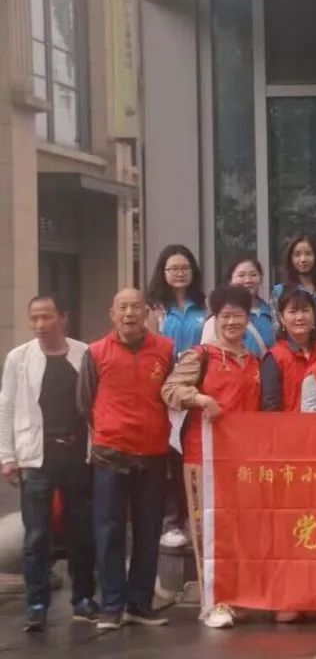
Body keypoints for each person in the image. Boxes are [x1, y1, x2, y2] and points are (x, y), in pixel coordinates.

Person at [161, 285, 262, 629]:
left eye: (239, 316)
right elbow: (170, 389)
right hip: (202, 457)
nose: (232, 322)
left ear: (249, 320)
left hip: (243, 460)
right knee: (207, 530)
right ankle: (213, 602)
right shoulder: (200, 355)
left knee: (238, 531)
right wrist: (201, 399)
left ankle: (236, 596)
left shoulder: (253, 361)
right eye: (226, 316)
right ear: (215, 319)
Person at [77, 288, 174, 631]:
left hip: (153, 452)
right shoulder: (95, 352)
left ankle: (139, 603)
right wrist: (109, 427)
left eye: (135, 307)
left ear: (147, 313)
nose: (129, 313)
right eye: (123, 307)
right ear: (112, 314)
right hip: (110, 452)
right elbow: (84, 402)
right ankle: (111, 605)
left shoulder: (166, 349)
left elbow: (171, 394)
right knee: (109, 530)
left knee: (148, 530)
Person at [0, 295, 96, 631]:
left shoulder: (85, 353)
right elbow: (6, 406)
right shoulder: (19, 358)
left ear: (63, 318)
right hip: (36, 455)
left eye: (47, 317)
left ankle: (83, 597)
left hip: (77, 454)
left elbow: (95, 404)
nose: (40, 325)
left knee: (81, 529)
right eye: (35, 318)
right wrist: (7, 456)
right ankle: (37, 603)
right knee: (36, 534)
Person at [146, 244, 207, 550]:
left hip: (195, 392)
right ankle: (170, 521)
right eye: (173, 268)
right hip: (162, 393)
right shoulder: (154, 308)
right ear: (163, 272)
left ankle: (190, 520)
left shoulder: (205, 307)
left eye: (185, 268)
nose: (179, 273)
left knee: (191, 457)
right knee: (168, 459)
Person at [262, 289, 316, 412]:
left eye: (305, 311)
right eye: (293, 311)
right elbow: (271, 406)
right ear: (282, 318)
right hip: (288, 423)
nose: (300, 317)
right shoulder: (275, 357)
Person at [200, 256, 276, 358]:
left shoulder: (272, 313)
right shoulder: (216, 318)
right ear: (230, 280)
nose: (248, 280)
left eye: (253, 275)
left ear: (260, 279)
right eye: (241, 275)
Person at [272, 233, 316, 305]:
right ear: (290, 258)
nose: (303, 259)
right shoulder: (280, 292)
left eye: (308, 253)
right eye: (297, 254)